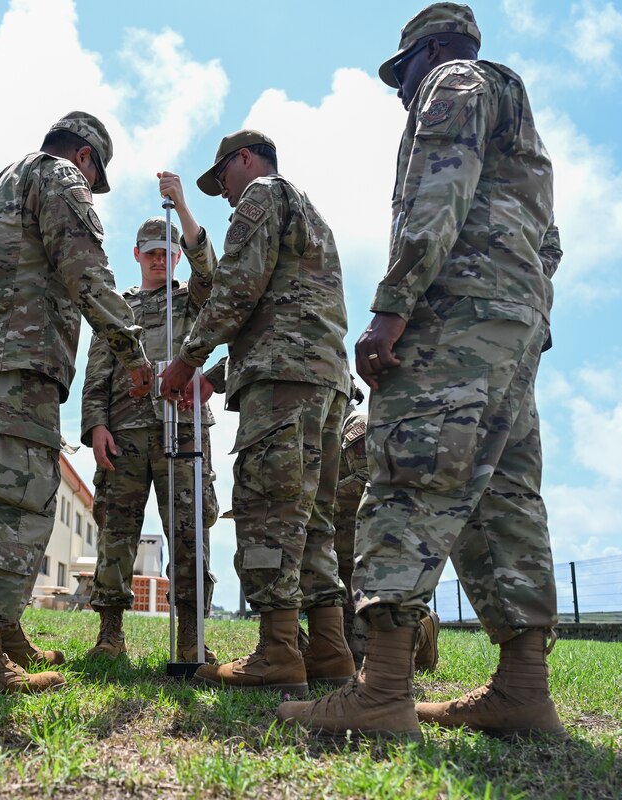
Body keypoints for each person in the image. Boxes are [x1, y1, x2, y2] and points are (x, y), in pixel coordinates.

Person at [277, 2, 565, 740]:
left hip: (456, 317)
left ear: (429, 50)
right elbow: (549, 245)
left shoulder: (455, 83)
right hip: (513, 325)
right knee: (502, 498)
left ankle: (381, 693)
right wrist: (527, 321)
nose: (401, 91)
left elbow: (436, 197)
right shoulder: (519, 119)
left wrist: (393, 309)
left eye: (401, 73)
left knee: (406, 477)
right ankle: (523, 690)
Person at [0, 111, 153, 693]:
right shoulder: (58, 178)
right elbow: (87, 273)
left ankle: (3, 635)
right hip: (19, 368)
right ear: (86, 158)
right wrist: (133, 353)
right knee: (16, 508)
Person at [159, 132, 354, 696]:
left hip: (283, 386)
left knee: (269, 510)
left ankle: (276, 652)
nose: (222, 194)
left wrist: (187, 359)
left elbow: (237, 290)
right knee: (312, 519)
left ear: (244, 160)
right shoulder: (308, 210)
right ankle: (330, 650)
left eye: (221, 179)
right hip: (323, 380)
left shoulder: (262, 194)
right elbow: (279, 312)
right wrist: (214, 378)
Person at [82, 214, 220, 664]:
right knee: (116, 533)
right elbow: (97, 373)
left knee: (188, 533)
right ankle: (110, 634)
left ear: (178, 256)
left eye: (168, 252)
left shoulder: (192, 301)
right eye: (152, 252)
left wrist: (180, 205)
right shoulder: (118, 309)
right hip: (125, 433)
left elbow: (212, 277)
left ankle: (190, 636)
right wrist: (95, 426)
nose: (160, 260)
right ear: (137, 255)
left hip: (183, 433)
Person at [332, 383, 440, 672]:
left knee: (361, 658)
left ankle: (423, 626)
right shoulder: (320, 434)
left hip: (364, 552)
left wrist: (314, 501)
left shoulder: (356, 426)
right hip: (337, 552)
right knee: (336, 653)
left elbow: (367, 481)